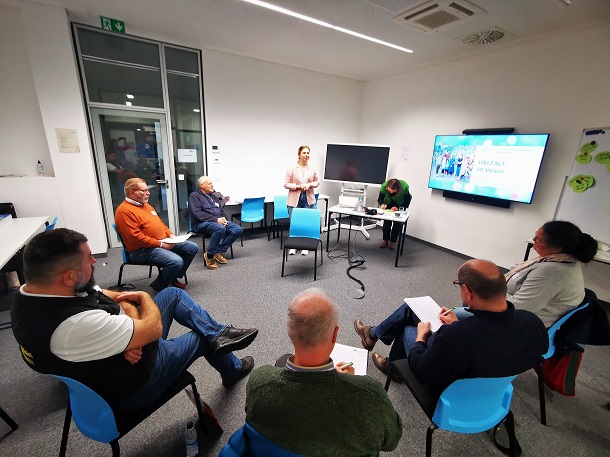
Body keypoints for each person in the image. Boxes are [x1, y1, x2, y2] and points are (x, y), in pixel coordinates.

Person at [11, 228, 258, 412]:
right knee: (200, 336)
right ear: (68, 277)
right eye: (89, 258)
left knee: (172, 294)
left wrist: (130, 330)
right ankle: (231, 368)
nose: (95, 261)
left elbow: (109, 294)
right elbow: (153, 328)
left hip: (115, 356)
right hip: (132, 385)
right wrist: (142, 299)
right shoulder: (73, 325)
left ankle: (219, 334)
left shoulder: (36, 291)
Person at [245, 288, 402, 457]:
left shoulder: (259, 382)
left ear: (289, 332)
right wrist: (354, 383)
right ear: (335, 334)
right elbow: (392, 440)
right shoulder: (371, 395)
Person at [354, 259, 548, 395]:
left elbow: (423, 370)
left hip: (449, 390)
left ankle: (392, 365)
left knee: (407, 328)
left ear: (467, 292)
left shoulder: (456, 337)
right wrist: (456, 324)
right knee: (411, 310)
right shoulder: (533, 322)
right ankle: (374, 336)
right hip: (492, 390)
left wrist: (420, 338)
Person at [505, 220, 598, 327]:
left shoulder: (551, 273)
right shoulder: (564, 259)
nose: (533, 240)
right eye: (535, 235)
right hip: (525, 304)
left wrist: (491, 293)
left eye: (538, 239)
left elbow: (516, 307)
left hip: (527, 324)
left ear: (556, 248)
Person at [115, 178, 198, 292]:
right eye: (144, 191)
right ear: (132, 192)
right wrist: (160, 244)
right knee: (176, 261)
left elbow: (160, 224)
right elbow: (135, 238)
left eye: (147, 190)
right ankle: (159, 286)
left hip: (160, 242)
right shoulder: (124, 211)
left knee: (192, 247)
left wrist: (170, 235)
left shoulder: (146, 205)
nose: (148, 193)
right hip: (141, 250)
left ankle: (171, 277)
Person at [188, 176, 243, 270]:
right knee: (220, 228)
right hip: (200, 223)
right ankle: (209, 255)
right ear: (202, 185)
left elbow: (221, 211)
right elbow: (197, 214)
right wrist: (216, 220)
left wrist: (224, 219)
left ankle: (218, 251)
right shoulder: (194, 196)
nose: (212, 185)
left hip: (216, 222)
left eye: (212, 183)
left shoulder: (213, 196)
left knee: (237, 229)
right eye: (209, 183)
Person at [284, 145, 319, 256]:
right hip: (295, 198)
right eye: (304, 153)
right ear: (299, 154)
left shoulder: (312, 168)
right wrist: (298, 187)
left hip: (308, 198)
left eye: (308, 153)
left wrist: (310, 184)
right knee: (294, 222)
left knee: (307, 222)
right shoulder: (291, 168)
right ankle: (293, 246)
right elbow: (286, 184)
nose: (306, 155)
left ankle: (305, 246)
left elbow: (317, 182)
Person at [377, 178, 412, 250]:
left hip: (400, 204)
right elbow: (380, 199)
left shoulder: (404, 187)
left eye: (393, 191)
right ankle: (385, 240)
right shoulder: (384, 186)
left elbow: (407, 200)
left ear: (398, 189)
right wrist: (382, 204)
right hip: (388, 203)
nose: (391, 192)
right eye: (389, 190)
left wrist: (398, 208)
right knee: (387, 222)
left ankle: (393, 242)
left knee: (397, 223)